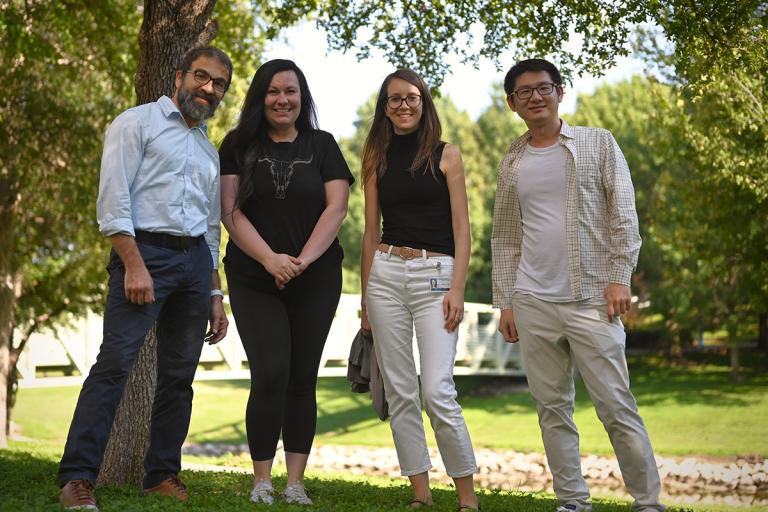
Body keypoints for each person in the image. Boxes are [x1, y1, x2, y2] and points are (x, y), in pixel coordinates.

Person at [57, 46, 232, 510]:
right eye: (202, 77)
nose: (208, 89)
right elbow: (113, 201)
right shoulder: (136, 123)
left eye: (218, 85)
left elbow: (210, 227)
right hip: (144, 254)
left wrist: (215, 291)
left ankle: (161, 475)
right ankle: (77, 477)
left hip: (195, 265)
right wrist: (133, 263)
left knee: (178, 377)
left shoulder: (207, 150)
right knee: (114, 366)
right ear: (179, 75)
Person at [491, 58, 666, 512]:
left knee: (616, 405)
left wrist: (617, 278)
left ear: (559, 92)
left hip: (592, 298)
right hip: (532, 300)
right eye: (524, 91)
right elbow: (506, 237)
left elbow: (623, 215)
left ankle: (647, 502)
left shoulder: (598, 143)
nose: (535, 96)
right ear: (513, 103)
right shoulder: (512, 160)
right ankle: (572, 500)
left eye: (543, 88)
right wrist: (506, 301)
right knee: (552, 409)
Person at [218, 59, 353, 506]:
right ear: (260, 97)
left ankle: (294, 482)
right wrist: (271, 260)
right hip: (253, 277)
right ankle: (262, 480)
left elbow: (336, 208)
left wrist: (300, 261)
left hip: (315, 278)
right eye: (273, 91)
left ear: (302, 97)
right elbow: (231, 212)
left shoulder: (324, 144)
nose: (282, 99)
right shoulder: (237, 145)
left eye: (291, 91)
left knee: (301, 377)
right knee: (270, 371)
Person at [360, 69, 479, 510]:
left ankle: (467, 498)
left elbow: (462, 229)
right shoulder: (376, 157)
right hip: (386, 275)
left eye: (411, 98)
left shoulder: (448, 156)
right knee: (400, 390)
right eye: (394, 100)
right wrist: (364, 299)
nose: (403, 106)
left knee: (436, 388)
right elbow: (370, 233)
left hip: (437, 275)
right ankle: (421, 495)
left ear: (424, 103)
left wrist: (458, 289)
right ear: (384, 107)